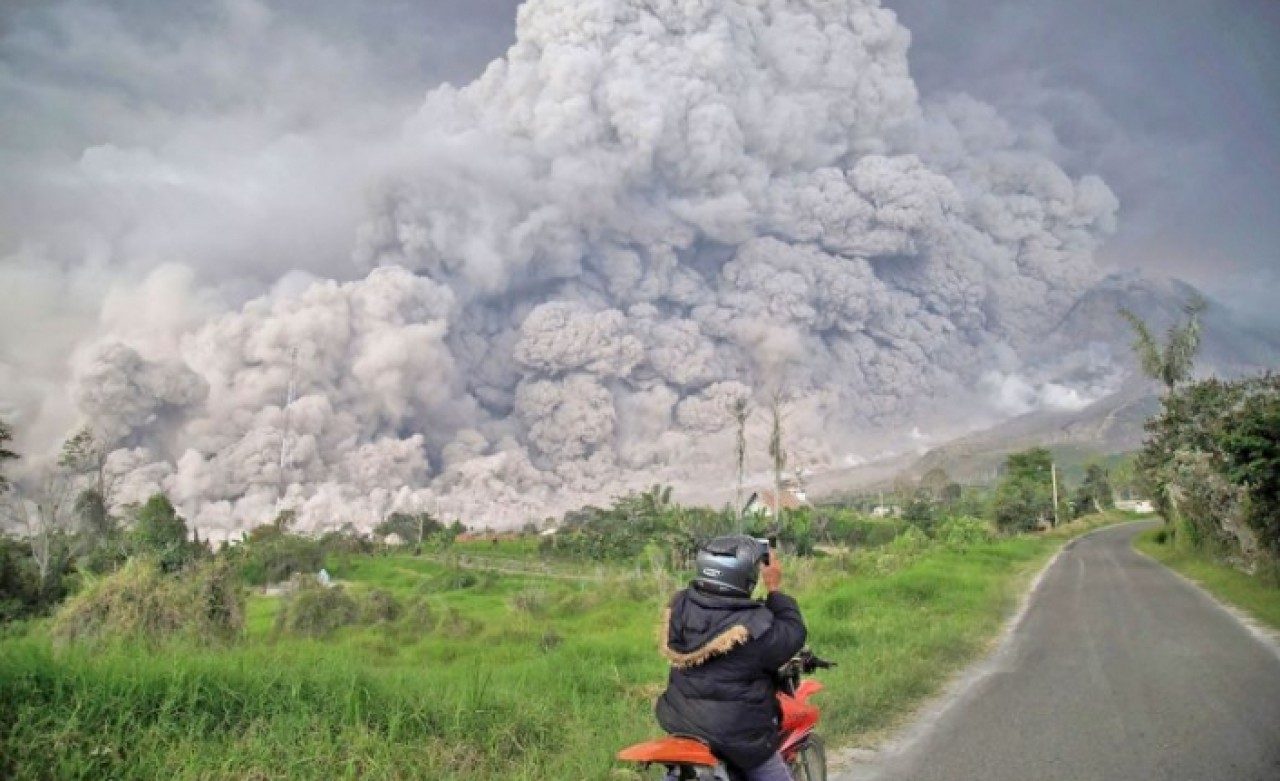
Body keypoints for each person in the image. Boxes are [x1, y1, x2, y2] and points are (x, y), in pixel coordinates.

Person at [655, 535, 808, 781]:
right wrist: (774, 588)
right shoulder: (755, 625)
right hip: (736, 735)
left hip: (681, 722)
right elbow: (792, 634)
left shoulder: (680, 604)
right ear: (745, 578)